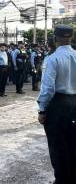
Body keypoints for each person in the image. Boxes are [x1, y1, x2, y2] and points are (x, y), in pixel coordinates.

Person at [37, 25, 76, 184]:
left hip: (59, 105)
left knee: (58, 145)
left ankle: (61, 180)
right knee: (73, 143)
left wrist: (42, 109)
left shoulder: (53, 58)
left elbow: (48, 88)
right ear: (70, 38)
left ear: (56, 38)